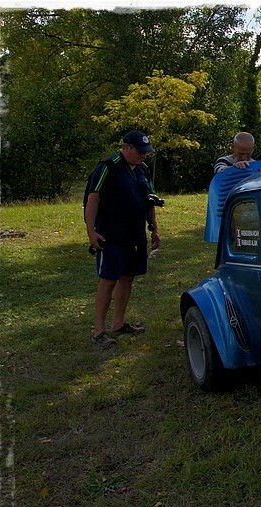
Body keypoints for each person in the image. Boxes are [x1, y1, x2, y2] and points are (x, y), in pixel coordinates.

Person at [84, 130, 160, 349]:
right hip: (112, 235)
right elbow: (93, 199)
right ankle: (99, 331)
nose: (144, 156)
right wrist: (91, 232)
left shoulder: (142, 169)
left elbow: (149, 200)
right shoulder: (108, 167)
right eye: (140, 151)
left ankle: (118, 323)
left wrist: (154, 228)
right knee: (108, 280)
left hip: (135, 235)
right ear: (126, 148)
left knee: (128, 278)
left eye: (146, 152)